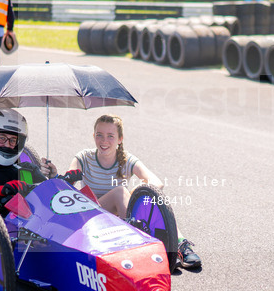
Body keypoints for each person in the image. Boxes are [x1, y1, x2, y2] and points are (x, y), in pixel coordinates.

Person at [68, 114, 202, 269]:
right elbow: (69, 177)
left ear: (120, 139)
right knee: (120, 192)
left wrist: (136, 194)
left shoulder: (127, 160)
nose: (104, 141)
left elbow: (157, 183)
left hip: (119, 218)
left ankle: (180, 245)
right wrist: (54, 173)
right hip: (91, 216)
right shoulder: (84, 157)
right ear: (93, 136)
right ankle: (140, 246)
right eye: (99, 135)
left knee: (151, 199)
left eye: (110, 136)